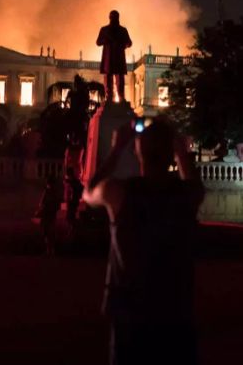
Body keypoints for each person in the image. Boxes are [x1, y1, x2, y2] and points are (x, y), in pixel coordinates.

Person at [83, 119, 204, 365]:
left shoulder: (119, 192)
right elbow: (192, 180)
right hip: (175, 310)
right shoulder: (187, 195)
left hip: (130, 311)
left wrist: (116, 148)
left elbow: (89, 192)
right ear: (171, 153)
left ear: (137, 149)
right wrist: (181, 152)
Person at [96, 10, 132, 104]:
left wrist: (123, 44)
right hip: (110, 58)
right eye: (112, 17)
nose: (114, 19)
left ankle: (120, 97)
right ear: (110, 18)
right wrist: (107, 40)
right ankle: (109, 98)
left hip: (118, 58)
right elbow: (98, 42)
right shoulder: (105, 30)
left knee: (119, 79)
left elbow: (129, 42)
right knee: (108, 78)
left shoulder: (122, 30)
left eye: (115, 17)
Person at [37, 175, 62, 256]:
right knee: (50, 232)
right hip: (51, 214)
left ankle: (49, 250)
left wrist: (41, 209)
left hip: (47, 215)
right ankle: (51, 250)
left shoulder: (48, 192)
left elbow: (42, 203)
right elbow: (57, 204)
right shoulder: (55, 192)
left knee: (47, 232)